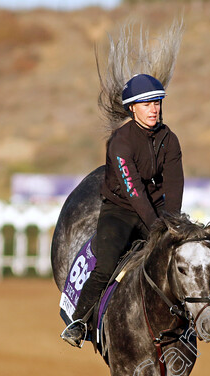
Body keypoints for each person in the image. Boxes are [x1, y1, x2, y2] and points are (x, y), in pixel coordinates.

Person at [61, 73, 184, 347]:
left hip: (157, 209)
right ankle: (79, 322)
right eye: (146, 104)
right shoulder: (120, 141)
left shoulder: (170, 139)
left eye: (157, 103)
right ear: (132, 108)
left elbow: (175, 185)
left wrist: (171, 224)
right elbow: (134, 191)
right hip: (120, 211)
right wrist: (157, 229)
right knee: (105, 265)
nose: (154, 109)